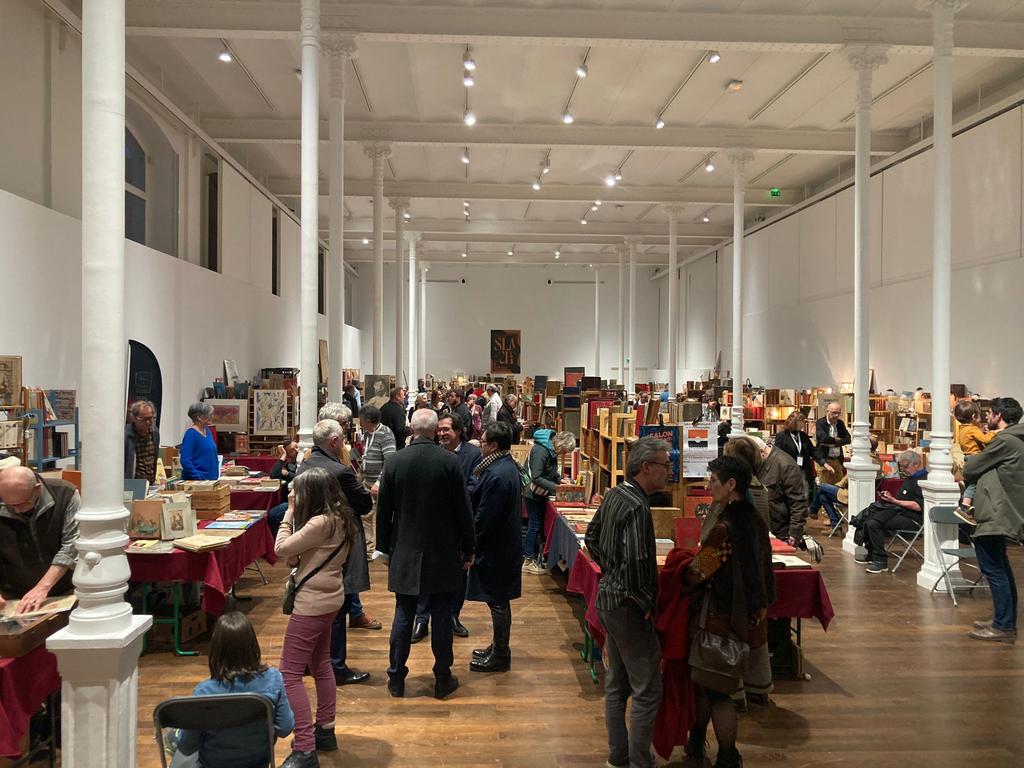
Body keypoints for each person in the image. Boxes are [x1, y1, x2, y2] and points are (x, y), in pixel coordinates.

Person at [376, 409, 475, 700]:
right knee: (442, 618)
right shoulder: (449, 461)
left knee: (403, 615)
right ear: (434, 431)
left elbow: (384, 510)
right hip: (442, 552)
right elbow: (463, 510)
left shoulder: (395, 461)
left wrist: (382, 548)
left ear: (411, 428)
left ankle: (395, 677)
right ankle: (443, 678)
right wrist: (469, 547)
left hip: (404, 550)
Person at [584, 437, 671, 768]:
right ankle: (638, 762)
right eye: (665, 465)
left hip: (609, 599)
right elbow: (636, 562)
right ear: (646, 467)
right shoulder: (636, 505)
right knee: (648, 691)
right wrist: (645, 599)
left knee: (617, 686)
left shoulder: (616, 494)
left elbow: (592, 537)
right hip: (628, 606)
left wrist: (610, 572)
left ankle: (618, 757)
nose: (669, 471)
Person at [682, 456, 774, 768]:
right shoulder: (756, 522)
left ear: (731, 485)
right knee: (711, 684)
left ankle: (727, 755)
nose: (709, 486)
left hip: (722, 617)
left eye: (714, 481)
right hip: (747, 616)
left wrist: (683, 570)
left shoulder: (726, 528)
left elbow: (699, 570)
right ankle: (697, 741)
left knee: (717, 690)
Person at [275, 468, 358, 768]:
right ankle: (325, 729)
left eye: (298, 491)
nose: (294, 495)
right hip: (332, 596)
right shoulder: (341, 517)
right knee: (321, 663)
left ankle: (306, 748)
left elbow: (282, 549)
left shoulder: (318, 522)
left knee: (289, 673)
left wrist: (290, 513)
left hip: (311, 602)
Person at [297, 420, 379, 682]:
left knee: (313, 606)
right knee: (338, 604)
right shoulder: (340, 472)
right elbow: (365, 504)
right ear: (333, 441)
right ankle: (335, 667)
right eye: (342, 439)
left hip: (309, 544)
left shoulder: (305, 465)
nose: (344, 443)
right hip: (339, 543)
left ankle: (312, 661)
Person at [171, 612, 293, 768]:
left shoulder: (204, 692)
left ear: (216, 649)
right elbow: (285, 728)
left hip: (214, 764)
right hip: (258, 762)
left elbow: (187, 746)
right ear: (253, 645)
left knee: (175, 740)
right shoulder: (274, 679)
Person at [412, 413, 481, 644]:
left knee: (460, 573)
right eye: (439, 430)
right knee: (425, 572)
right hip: (430, 524)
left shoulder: (473, 454)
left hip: (459, 524)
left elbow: (474, 485)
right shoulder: (431, 451)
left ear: (458, 431)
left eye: (446, 430)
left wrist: (452, 493)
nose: (441, 434)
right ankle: (422, 618)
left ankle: (453, 615)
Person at [963, 397, 1024, 643]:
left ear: (998, 415)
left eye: (989, 413)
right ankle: (1004, 620)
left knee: (993, 569)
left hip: (996, 513)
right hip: (1003, 510)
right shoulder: (1017, 440)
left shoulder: (1005, 440)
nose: (987, 417)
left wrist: (971, 461)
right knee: (1001, 567)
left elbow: (971, 468)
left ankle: (1003, 626)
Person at [466, 421, 523, 673]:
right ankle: (499, 647)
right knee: (497, 601)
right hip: (500, 545)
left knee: (498, 601)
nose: (480, 445)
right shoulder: (500, 467)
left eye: (484, 442)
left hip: (498, 548)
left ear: (495, 446)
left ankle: (500, 654)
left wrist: (471, 542)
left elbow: (486, 517)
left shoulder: (499, 474)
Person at [0, 466, 79, 613]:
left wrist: (43, 587)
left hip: (61, 592)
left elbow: (71, 545)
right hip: (11, 598)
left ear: (37, 489)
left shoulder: (65, 494)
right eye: (10, 505)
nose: (16, 510)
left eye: (22, 504)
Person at [850, 450, 926, 573]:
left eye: (905, 466)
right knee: (869, 516)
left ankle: (880, 561)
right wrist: (891, 498)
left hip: (913, 519)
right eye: (901, 466)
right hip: (899, 512)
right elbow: (901, 499)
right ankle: (872, 554)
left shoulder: (924, 480)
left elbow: (918, 506)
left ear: (916, 464)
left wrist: (894, 501)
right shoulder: (910, 478)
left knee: (874, 523)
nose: (903, 469)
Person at [755, 437, 820, 560]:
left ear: (760, 452)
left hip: (780, 530)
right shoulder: (762, 462)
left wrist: (795, 532)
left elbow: (798, 501)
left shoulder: (785, 464)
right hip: (766, 528)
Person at [522, 430, 576, 574]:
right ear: (560, 444)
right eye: (564, 451)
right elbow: (537, 478)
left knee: (537, 525)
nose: (563, 454)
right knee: (534, 525)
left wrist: (560, 479)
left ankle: (534, 557)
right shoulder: (542, 451)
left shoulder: (550, 450)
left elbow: (551, 472)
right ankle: (528, 559)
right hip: (532, 494)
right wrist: (557, 488)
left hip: (539, 493)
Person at [355, 404, 396, 561]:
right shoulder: (367, 433)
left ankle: (381, 548)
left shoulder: (385, 434)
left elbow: (390, 461)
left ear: (368, 420)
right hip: (367, 481)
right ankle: (368, 549)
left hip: (380, 485)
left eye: (361, 420)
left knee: (382, 516)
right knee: (366, 514)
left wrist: (379, 482)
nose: (359, 423)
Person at [817, 434, 880, 534]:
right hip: (863, 495)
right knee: (823, 496)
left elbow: (847, 478)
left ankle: (813, 510)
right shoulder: (878, 461)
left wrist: (839, 484)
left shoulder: (864, 461)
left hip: (852, 496)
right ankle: (835, 526)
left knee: (822, 487)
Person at [953, 399, 999, 525]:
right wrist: (995, 433)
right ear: (974, 416)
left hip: (967, 458)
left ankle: (967, 499)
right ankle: (965, 506)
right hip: (976, 458)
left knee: (971, 483)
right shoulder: (972, 429)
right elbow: (986, 440)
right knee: (976, 481)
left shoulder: (962, 429)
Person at [774, 411, 817, 514]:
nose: (803, 424)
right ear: (794, 422)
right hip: (788, 472)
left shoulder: (803, 436)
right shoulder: (781, 436)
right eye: (801, 422)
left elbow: (812, 451)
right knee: (790, 497)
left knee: (804, 496)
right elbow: (777, 455)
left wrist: (823, 462)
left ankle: (800, 523)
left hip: (803, 471)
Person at [180, 402, 219, 480]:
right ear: (199, 417)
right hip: (198, 482)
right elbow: (185, 460)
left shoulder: (207, 431)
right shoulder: (191, 434)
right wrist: (198, 477)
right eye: (209, 415)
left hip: (210, 480)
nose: (212, 416)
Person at [124, 399, 160, 483]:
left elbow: (154, 458)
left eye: (151, 418)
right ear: (134, 418)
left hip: (150, 483)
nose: (148, 422)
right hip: (132, 484)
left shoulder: (154, 432)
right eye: (144, 419)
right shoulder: (126, 435)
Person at [815, 401, 851, 482]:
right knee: (824, 485)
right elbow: (823, 438)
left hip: (837, 459)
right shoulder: (820, 423)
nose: (836, 415)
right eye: (834, 413)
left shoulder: (840, 423)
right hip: (824, 459)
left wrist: (835, 443)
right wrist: (837, 439)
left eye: (838, 413)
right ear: (827, 411)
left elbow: (848, 439)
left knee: (838, 485)